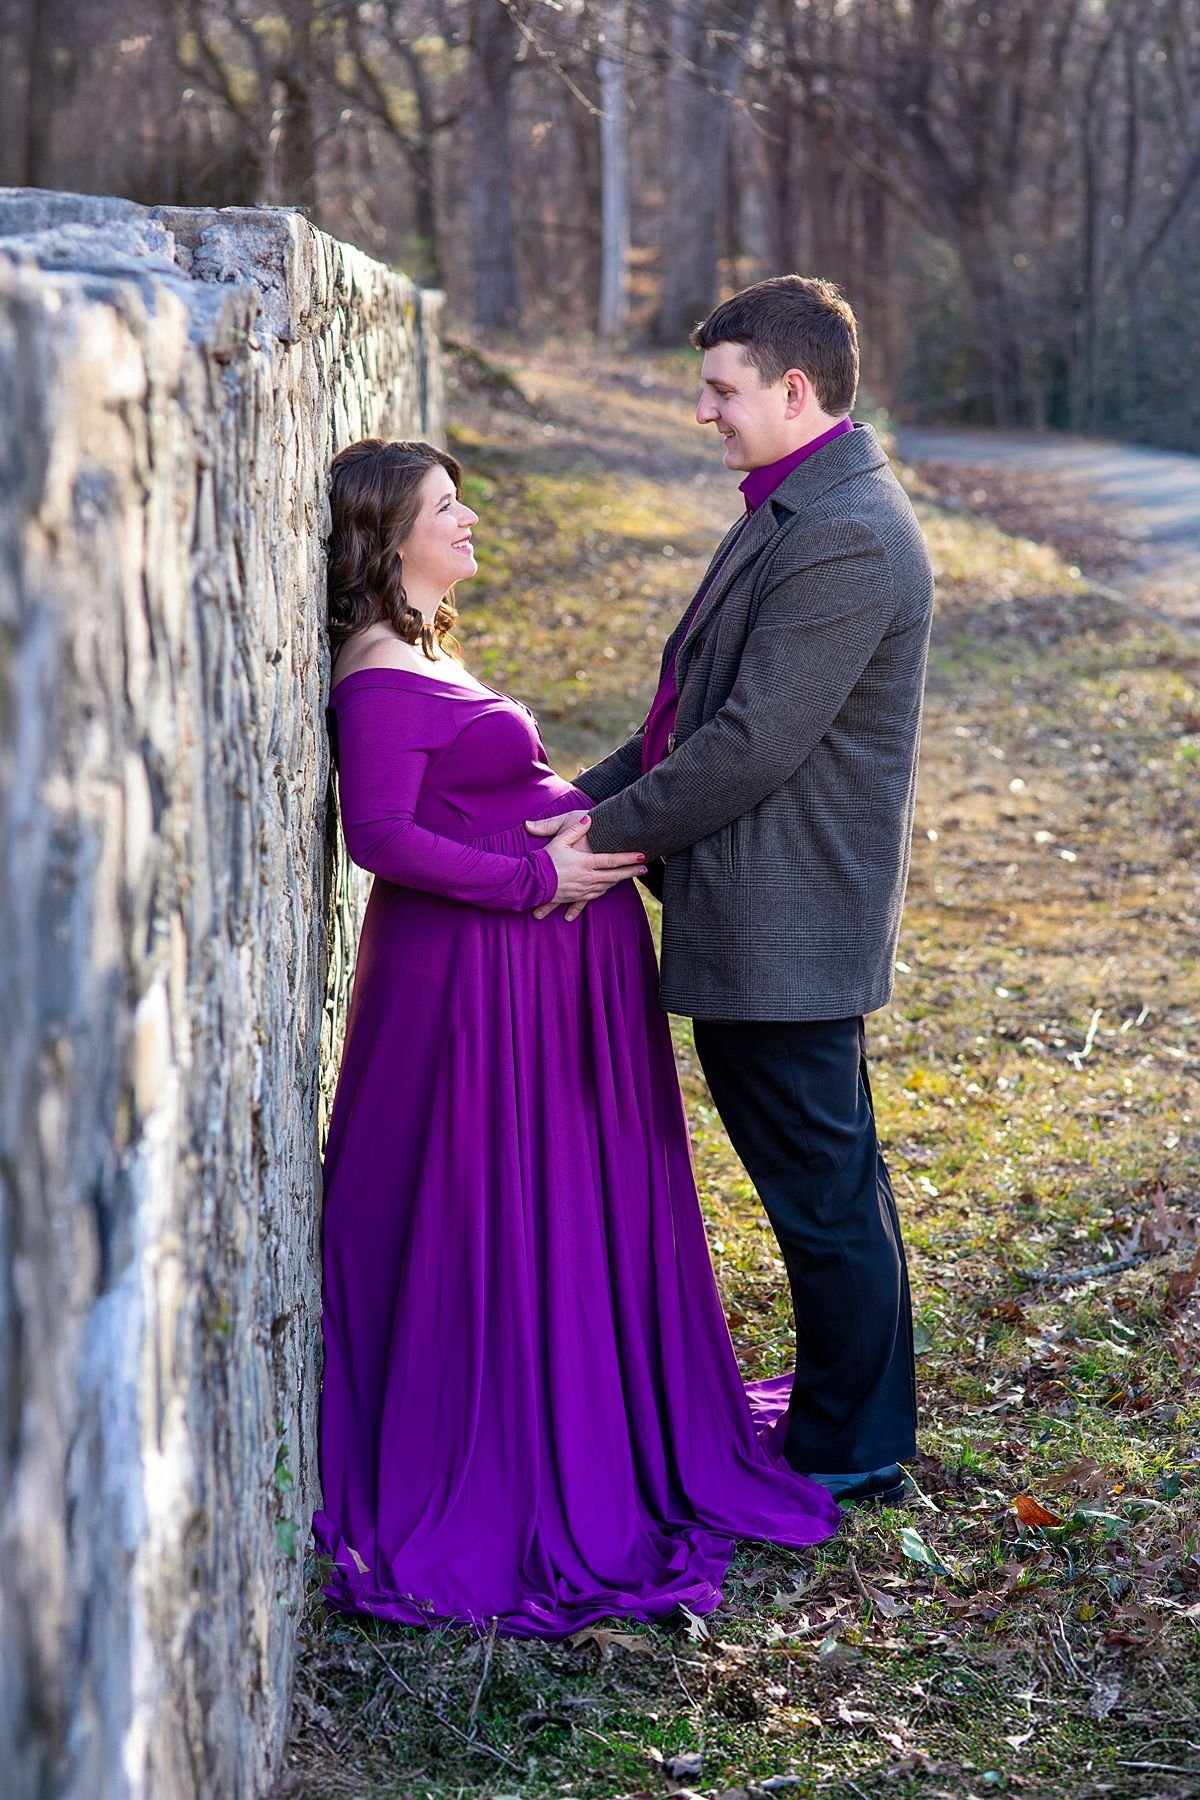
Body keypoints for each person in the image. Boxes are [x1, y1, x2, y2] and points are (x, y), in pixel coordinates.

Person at [311, 436, 840, 1640]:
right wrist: (531, 879)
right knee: (493, 1205)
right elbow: (382, 836)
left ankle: (595, 1400)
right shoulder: (380, 669)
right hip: (483, 981)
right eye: (451, 506)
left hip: (532, 977)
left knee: (557, 1200)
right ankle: (523, 1442)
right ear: (392, 537)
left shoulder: (422, 646)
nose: (473, 519)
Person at [528, 277, 934, 1508]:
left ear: (794, 390)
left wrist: (597, 835)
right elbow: (682, 718)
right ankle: (853, 1423)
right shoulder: (790, 508)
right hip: (758, 911)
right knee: (825, 1182)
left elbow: (750, 744)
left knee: (821, 1196)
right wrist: (557, 800)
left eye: (722, 390)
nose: (705, 412)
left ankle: (854, 1451)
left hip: (791, 920)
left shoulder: (850, 532)